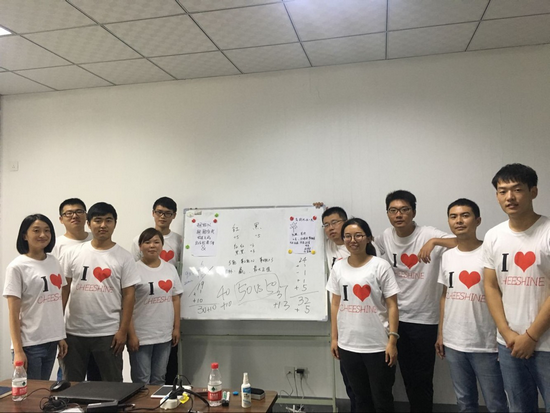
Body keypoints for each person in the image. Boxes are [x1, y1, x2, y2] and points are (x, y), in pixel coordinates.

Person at [374, 190, 455, 412]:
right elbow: (359, 244)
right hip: (393, 319)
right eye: (393, 210)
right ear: (387, 213)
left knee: (420, 380)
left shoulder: (428, 233)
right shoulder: (385, 237)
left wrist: (435, 242)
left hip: (423, 320)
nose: (398, 215)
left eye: (404, 210)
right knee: (386, 377)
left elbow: (464, 241)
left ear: (414, 212)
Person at [483, 163, 550, 412]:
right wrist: (507, 333)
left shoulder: (547, 232)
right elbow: (490, 286)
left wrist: (531, 337)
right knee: (519, 407)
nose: (509, 197)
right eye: (502, 191)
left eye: (517, 189)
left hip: (546, 344)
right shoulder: (493, 236)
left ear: (533, 191)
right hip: (508, 343)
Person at [435, 199, 507, 412]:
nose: (458, 221)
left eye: (465, 215)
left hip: (486, 343)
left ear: (478, 220)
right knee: (465, 402)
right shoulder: (447, 257)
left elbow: (503, 295)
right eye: (453, 216)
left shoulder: (491, 253)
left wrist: (503, 335)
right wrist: (441, 333)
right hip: (454, 342)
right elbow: (445, 296)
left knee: (496, 403)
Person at [327, 218, 400, 412]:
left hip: (378, 345)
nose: (353, 240)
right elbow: (335, 304)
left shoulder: (380, 266)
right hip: (348, 345)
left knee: (382, 398)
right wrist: (334, 338)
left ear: (368, 238)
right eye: (348, 236)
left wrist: (392, 341)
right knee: (359, 398)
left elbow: (392, 305)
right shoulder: (338, 267)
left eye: (358, 235)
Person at [61, 202, 139, 382]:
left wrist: (123, 331)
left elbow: (129, 296)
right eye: (98, 220)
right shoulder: (73, 253)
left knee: (112, 387)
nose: (103, 225)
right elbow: (64, 291)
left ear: (115, 223)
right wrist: (58, 330)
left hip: (108, 334)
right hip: (74, 333)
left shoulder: (124, 257)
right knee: (72, 386)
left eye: (108, 220)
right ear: (88, 223)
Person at [3, 214, 68, 379]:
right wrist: (18, 350)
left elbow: (55, 303)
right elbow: (13, 313)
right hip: (30, 344)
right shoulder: (17, 267)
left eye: (47, 230)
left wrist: (59, 336)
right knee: (30, 392)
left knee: (43, 389)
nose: (43, 235)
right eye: (36, 230)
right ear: (25, 235)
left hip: (51, 342)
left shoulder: (54, 262)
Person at [131, 196, 183, 384]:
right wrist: (130, 333)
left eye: (156, 242)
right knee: (142, 379)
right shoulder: (133, 269)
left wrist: (176, 328)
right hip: (142, 332)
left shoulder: (171, 263)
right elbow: (126, 302)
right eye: (147, 242)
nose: (152, 246)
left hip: (164, 332)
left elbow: (176, 297)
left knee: (160, 378)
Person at [52, 198, 100, 382]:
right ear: (61, 219)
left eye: (79, 211)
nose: (74, 216)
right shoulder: (56, 245)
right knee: (68, 375)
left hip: (98, 321)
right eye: (68, 213)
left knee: (98, 377)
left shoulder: (97, 239)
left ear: (86, 215)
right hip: (70, 322)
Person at [321, 206, 357, 412]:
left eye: (335, 222)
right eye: (326, 225)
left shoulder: (358, 246)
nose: (330, 228)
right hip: (341, 323)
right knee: (349, 381)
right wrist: (317, 209)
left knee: (366, 385)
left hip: (362, 320)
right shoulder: (329, 246)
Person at [131, 197, 182, 268]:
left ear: (174, 215)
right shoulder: (139, 239)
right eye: (159, 212)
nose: (162, 216)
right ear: (153, 213)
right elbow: (133, 267)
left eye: (167, 213)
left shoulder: (180, 241)